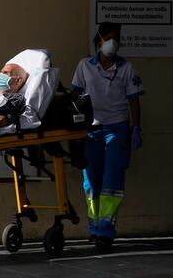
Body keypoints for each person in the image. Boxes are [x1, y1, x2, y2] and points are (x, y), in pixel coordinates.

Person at [71, 22, 144, 251]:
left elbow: (134, 100)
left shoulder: (126, 69)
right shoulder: (84, 66)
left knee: (112, 180)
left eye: (116, 38)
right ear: (99, 40)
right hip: (92, 130)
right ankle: (94, 228)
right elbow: (75, 97)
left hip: (117, 128)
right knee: (91, 180)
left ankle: (106, 231)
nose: (112, 42)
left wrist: (135, 128)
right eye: (108, 37)